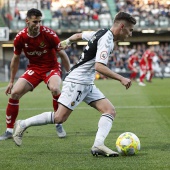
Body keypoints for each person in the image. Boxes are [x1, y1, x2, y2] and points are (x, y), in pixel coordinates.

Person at [13, 11, 136, 157]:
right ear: (122, 26)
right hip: (77, 81)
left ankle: (98, 145)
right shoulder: (107, 39)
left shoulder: (100, 32)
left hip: (86, 82)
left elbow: (78, 36)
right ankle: (23, 124)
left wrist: (67, 42)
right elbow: (99, 67)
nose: (130, 34)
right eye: (130, 30)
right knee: (59, 118)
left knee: (109, 111)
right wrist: (121, 78)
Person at [0, 8, 70, 140]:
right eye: (34, 22)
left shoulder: (49, 34)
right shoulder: (20, 38)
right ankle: (9, 130)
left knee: (55, 88)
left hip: (51, 67)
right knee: (15, 92)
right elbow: (15, 59)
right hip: (34, 68)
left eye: (39, 22)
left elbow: (62, 54)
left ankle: (58, 123)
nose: (37, 25)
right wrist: (10, 81)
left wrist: (69, 74)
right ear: (27, 21)